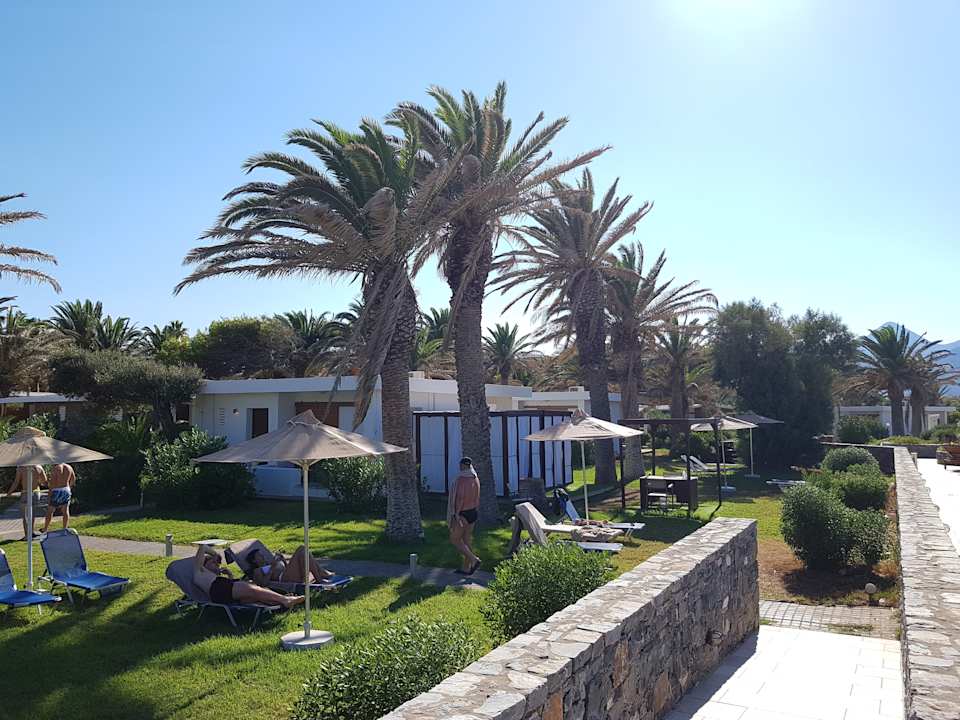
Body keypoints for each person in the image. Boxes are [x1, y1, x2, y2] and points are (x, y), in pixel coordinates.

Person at [192, 545, 304, 609]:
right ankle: (285, 600)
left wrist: (230, 575)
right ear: (203, 564)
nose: (216, 564)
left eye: (217, 563)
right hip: (219, 589)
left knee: (253, 594)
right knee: (251, 589)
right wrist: (215, 554)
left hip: (225, 589)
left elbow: (230, 590)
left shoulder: (214, 577)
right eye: (212, 562)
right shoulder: (199, 571)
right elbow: (203, 548)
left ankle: (280, 603)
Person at [447, 456, 481, 575]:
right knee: (466, 540)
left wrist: (456, 513)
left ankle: (474, 560)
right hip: (473, 512)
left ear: (462, 465)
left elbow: (461, 497)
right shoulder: (475, 478)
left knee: (455, 539)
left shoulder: (461, 479)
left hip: (463, 513)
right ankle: (466, 568)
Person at [245, 544, 334, 586]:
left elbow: (288, 569)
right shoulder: (257, 571)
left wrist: (283, 561)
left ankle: (321, 575)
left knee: (303, 554)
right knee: (301, 548)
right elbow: (263, 584)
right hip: (285, 579)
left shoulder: (270, 563)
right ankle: (320, 577)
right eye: (259, 555)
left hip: (290, 576)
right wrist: (272, 568)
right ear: (254, 560)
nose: (262, 556)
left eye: (261, 554)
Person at [4, 465, 46, 539]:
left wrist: (9, 493)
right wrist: (36, 480)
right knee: (32, 514)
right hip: (36, 492)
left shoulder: (21, 468)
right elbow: (44, 482)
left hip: (25, 492)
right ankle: (31, 532)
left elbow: (16, 482)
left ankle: (27, 535)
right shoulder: (39, 467)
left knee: (25, 515)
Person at [42, 462, 75, 533]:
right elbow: (73, 479)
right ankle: (64, 528)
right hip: (66, 489)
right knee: (65, 510)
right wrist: (69, 487)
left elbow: (52, 484)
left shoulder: (56, 468)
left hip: (57, 490)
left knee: (50, 510)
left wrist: (49, 495)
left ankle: (45, 529)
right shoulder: (69, 467)